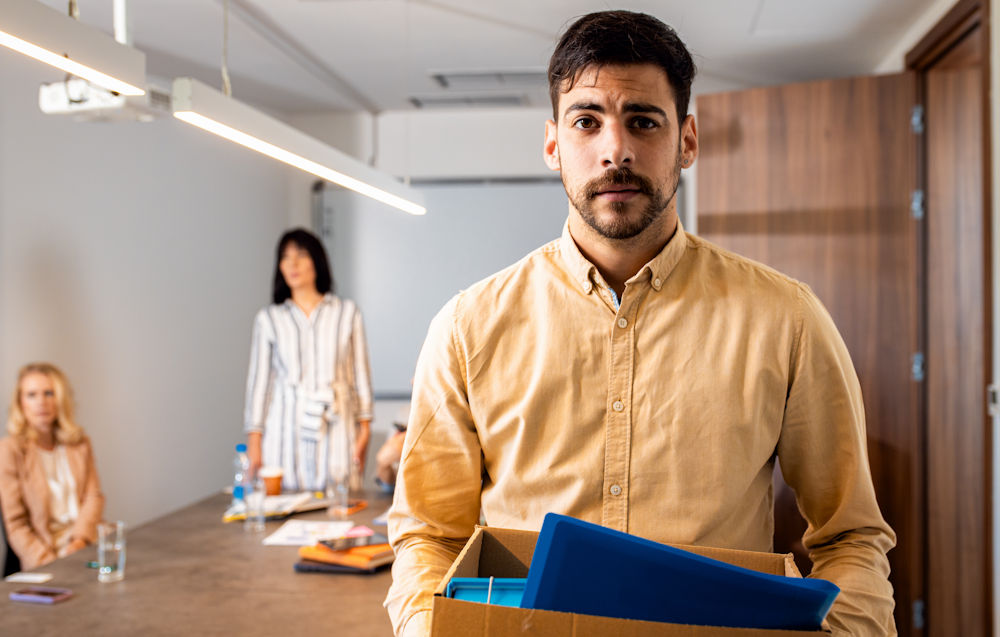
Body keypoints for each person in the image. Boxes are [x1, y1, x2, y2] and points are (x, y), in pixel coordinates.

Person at [385, 10, 895, 637]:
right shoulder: (467, 328)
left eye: (643, 121)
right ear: (553, 144)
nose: (615, 150)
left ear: (687, 140)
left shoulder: (787, 320)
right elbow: (429, 535)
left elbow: (851, 536)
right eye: (587, 121)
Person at [244, 228, 374, 493]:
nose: (292, 263)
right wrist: (254, 444)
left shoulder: (346, 313)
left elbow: (360, 374)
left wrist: (365, 431)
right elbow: (260, 385)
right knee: (286, 514)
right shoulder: (269, 319)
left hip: (336, 426)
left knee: (340, 510)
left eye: (301, 255)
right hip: (284, 430)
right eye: (285, 257)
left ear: (317, 260)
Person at [0, 363, 105, 571]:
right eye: (31, 395)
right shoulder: (10, 450)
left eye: (49, 393)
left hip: (84, 542)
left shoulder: (80, 443)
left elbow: (93, 498)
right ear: (20, 403)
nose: (41, 402)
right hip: (43, 554)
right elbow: (16, 525)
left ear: (61, 398)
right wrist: (50, 564)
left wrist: (79, 542)